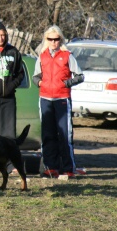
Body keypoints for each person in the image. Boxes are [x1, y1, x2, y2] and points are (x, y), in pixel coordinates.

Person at [32, 25, 84, 178]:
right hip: (45, 98)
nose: (54, 42)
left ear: (60, 39)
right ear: (46, 40)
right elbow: (36, 77)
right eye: (50, 39)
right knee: (48, 134)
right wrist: (41, 84)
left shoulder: (67, 55)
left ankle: (68, 168)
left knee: (64, 135)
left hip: (62, 98)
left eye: (56, 39)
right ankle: (50, 167)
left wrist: (66, 83)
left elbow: (80, 76)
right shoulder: (42, 56)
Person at [0, 21, 25, 173]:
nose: (1, 38)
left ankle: (11, 166)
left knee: (8, 134)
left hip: (8, 99)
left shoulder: (14, 52)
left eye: (3, 35)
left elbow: (20, 74)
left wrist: (11, 86)